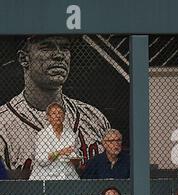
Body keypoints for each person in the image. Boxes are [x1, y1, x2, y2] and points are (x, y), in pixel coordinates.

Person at [0, 35, 110, 179]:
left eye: (64, 48)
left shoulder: (94, 118)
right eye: (46, 47)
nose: (59, 55)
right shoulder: (3, 124)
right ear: (24, 59)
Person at [29, 102, 80, 180]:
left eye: (60, 113)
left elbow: (76, 160)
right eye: (54, 113)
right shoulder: (42, 135)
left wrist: (75, 160)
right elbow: (41, 161)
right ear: (48, 118)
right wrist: (60, 153)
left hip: (67, 176)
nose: (57, 115)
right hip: (46, 177)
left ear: (64, 116)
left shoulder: (71, 135)